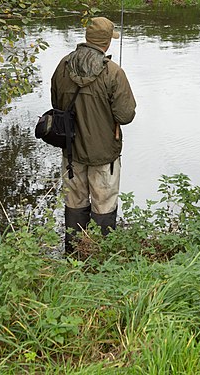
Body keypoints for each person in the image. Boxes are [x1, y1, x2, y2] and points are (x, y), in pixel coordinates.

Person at [51, 16, 136, 253]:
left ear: (87, 37)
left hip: (71, 150)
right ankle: (103, 256)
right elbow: (126, 115)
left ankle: (73, 255)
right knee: (104, 204)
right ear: (107, 43)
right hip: (103, 154)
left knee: (74, 202)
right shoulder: (113, 73)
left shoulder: (63, 66)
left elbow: (56, 105)